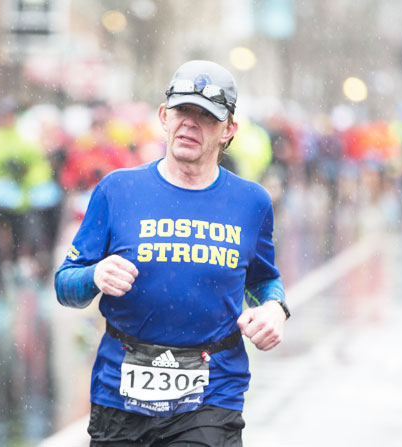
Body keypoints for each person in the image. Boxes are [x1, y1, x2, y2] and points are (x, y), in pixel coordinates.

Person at [54, 60, 291, 446]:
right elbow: (66, 285)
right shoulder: (118, 190)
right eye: (182, 111)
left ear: (228, 129)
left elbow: (263, 279)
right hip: (120, 394)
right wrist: (94, 276)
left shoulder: (251, 202)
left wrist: (274, 308)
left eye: (206, 116)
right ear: (164, 116)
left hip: (211, 396)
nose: (190, 124)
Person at [0, 97, 53, 291]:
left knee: (18, 239)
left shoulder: (26, 141)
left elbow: (40, 169)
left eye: (9, 115)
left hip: (18, 201)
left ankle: (16, 271)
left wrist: (23, 171)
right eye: (3, 116)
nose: (6, 119)